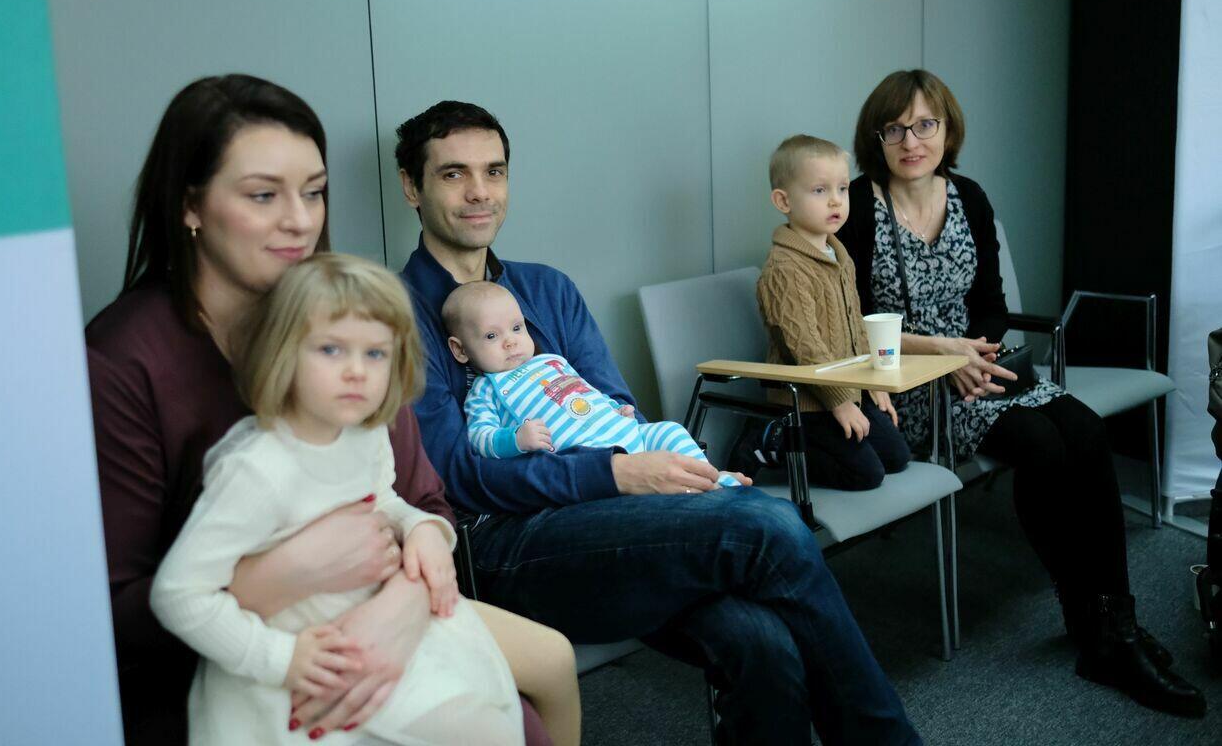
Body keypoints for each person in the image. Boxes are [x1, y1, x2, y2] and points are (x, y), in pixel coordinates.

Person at [397, 100, 922, 745]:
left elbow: (619, 411)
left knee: (762, 639)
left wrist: (671, 477)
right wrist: (614, 474)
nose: (480, 191)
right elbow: (455, 478)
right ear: (412, 187)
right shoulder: (400, 316)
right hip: (504, 545)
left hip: (614, 513)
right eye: (453, 174)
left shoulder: (548, 290)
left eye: (494, 171)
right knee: (769, 524)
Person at [86, 75, 557, 744]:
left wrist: (400, 610)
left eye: (312, 192)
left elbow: (424, 502)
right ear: (190, 204)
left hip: (373, 614)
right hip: (215, 669)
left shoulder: (348, 322)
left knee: (519, 726)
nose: (300, 220)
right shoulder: (122, 361)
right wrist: (274, 578)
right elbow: (107, 617)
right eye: (263, 195)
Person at [837, 68, 1205, 717]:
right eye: (894, 129)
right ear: (876, 138)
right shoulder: (859, 207)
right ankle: (1093, 627)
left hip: (979, 366)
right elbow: (854, 323)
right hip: (909, 387)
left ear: (947, 129)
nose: (911, 141)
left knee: (1085, 431)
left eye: (925, 124)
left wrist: (973, 354)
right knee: (1041, 444)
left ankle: (1113, 623)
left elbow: (993, 306)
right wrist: (944, 356)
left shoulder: (969, 197)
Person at [151, 254, 527, 745]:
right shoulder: (257, 470)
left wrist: (420, 526)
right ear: (282, 353)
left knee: (491, 723)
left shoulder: (364, 434)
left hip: (368, 618)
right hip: (294, 663)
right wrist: (281, 660)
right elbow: (178, 595)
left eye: (375, 354)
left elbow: (381, 500)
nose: (356, 372)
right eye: (331, 350)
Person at [756, 133, 911, 490]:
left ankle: (823, 433)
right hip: (807, 406)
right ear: (783, 201)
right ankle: (774, 441)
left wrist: (872, 386)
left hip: (847, 391)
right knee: (866, 475)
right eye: (819, 190)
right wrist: (840, 402)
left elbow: (856, 326)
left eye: (842, 189)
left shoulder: (839, 257)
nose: (835, 200)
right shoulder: (784, 269)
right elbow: (804, 346)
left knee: (897, 457)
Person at [444, 280, 709, 464]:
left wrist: (615, 409)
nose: (510, 341)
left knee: (672, 431)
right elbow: (479, 437)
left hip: (628, 432)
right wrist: (515, 440)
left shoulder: (551, 361)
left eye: (516, 328)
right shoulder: (484, 391)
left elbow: (585, 390)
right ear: (460, 349)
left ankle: (713, 479)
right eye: (491, 335)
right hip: (593, 458)